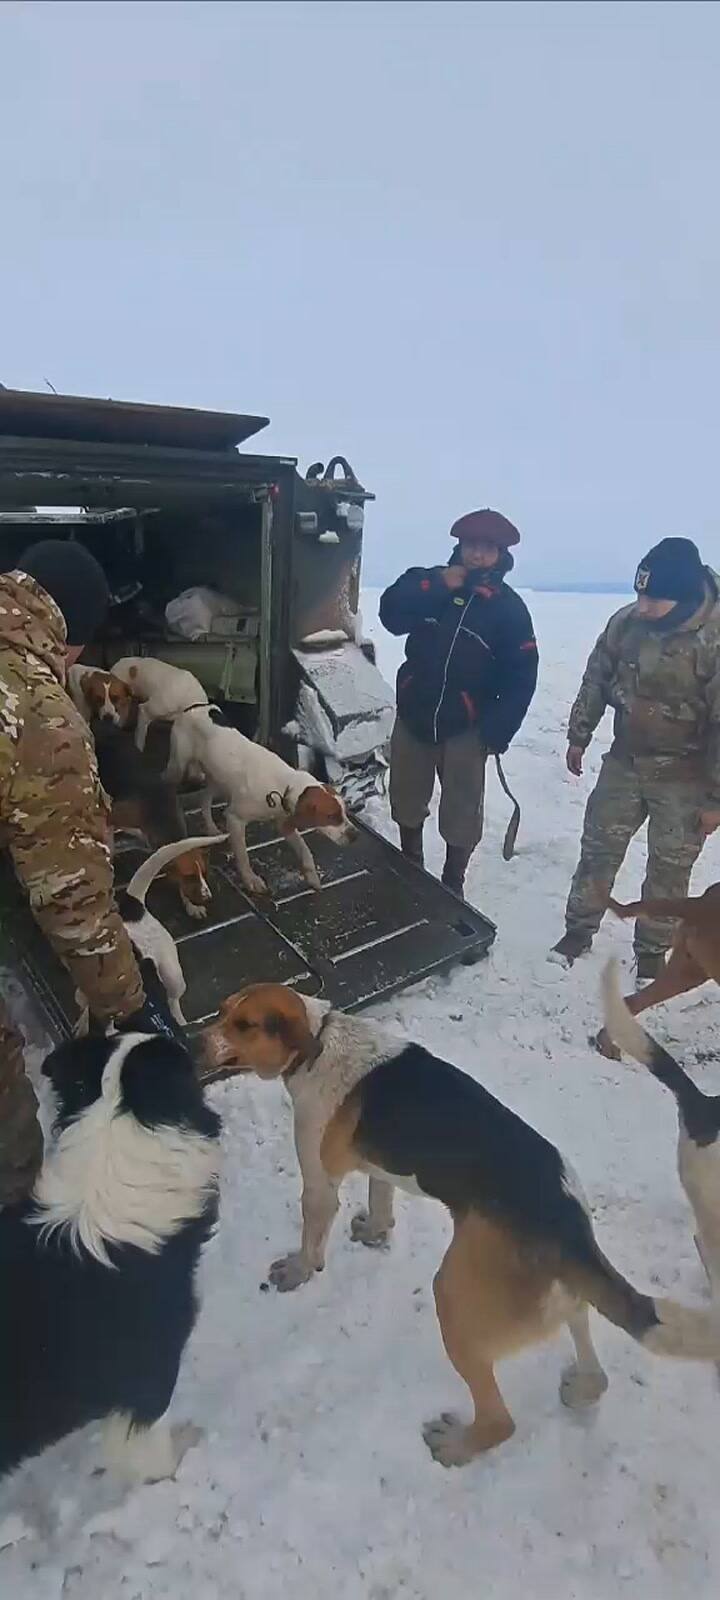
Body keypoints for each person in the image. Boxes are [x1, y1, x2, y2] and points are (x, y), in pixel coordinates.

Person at [0, 540, 165, 1208]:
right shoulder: (37, 711)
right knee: (9, 1144)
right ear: (67, 629)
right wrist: (130, 1006)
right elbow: (72, 902)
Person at [552, 537, 720, 977]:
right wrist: (579, 734)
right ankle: (578, 928)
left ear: (683, 598)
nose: (642, 606)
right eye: (639, 594)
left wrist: (716, 799)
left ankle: (651, 950)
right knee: (598, 848)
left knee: (670, 867)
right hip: (626, 761)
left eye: (653, 598)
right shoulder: (627, 623)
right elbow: (596, 677)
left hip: (686, 774)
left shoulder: (715, 639)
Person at [379, 508, 538, 896]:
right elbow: (390, 614)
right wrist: (436, 584)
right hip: (416, 714)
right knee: (406, 797)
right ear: (459, 545)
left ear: (501, 553)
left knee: (462, 813)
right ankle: (410, 865)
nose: (477, 555)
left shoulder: (509, 608)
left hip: (466, 725)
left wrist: (496, 732)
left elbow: (522, 675)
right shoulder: (429, 585)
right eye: (471, 545)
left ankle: (453, 882)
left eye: (487, 548)